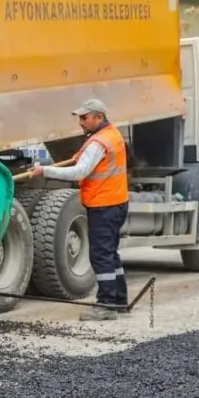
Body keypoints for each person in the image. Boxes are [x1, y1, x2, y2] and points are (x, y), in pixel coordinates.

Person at [29, 99, 129, 322]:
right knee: (111, 253)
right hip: (116, 202)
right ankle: (119, 299)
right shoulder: (112, 135)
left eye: (84, 118)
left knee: (101, 255)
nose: (81, 123)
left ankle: (106, 304)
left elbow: (79, 172)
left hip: (104, 205)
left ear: (98, 117)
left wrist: (44, 171)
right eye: (80, 118)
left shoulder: (99, 142)